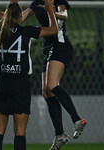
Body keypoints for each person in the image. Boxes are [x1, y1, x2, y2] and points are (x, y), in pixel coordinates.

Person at [17, 0, 87, 149]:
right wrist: (9, 16)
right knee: (47, 92)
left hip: (60, 45)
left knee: (52, 85)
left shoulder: (57, 1)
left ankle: (77, 120)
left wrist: (51, 10)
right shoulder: (36, 3)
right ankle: (60, 134)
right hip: (48, 48)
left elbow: (64, 15)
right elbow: (21, 19)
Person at [0, 0, 58, 150]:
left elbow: (1, 25)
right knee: (20, 131)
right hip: (19, 84)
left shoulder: (1, 30)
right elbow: (54, 30)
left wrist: (8, 16)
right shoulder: (27, 31)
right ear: (20, 15)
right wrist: (50, 12)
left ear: (7, 16)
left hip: (1, 84)